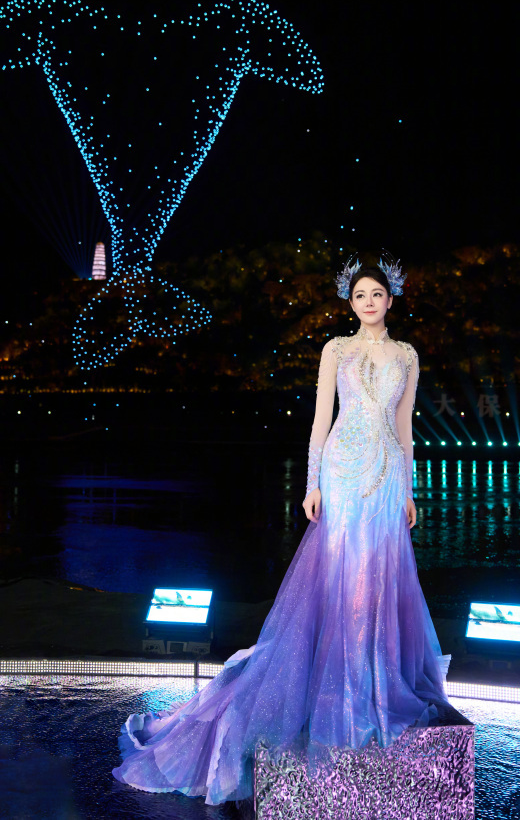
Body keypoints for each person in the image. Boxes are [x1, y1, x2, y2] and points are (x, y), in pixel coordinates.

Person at [112, 255, 451, 805]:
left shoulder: (407, 355)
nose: (369, 302)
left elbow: (404, 425)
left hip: (388, 476)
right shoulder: (335, 350)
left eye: (377, 294)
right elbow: (321, 419)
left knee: (379, 578)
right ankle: (338, 690)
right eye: (360, 295)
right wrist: (313, 482)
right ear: (351, 303)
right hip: (342, 471)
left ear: (391, 299)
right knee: (342, 578)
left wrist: (410, 490)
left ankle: (374, 683)